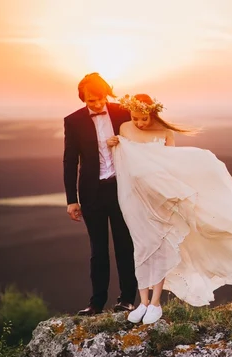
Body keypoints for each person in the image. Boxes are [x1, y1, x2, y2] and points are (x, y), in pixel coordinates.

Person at [107, 94, 232, 324]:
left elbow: (172, 165)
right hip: (134, 199)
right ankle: (142, 302)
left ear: (153, 114)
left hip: (161, 200)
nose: (139, 123)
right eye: (135, 118)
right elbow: (126, 162)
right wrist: (113, 144)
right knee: (141, 246)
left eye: (144, 118)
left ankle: (155, 303)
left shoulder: (165, 132)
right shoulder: (125, 128)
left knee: (162, 246)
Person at [63, 73, 137, 316]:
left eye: (99, 99)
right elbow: (70, 160)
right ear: (83, 98)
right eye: (90, 101)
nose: (95, 104)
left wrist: (125, 142)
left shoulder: (123, 112)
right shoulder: (72, 121)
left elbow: (142, 138)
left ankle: (127, 299)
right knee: (98, 250)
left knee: (125, 245)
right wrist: (72, 199)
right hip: (91, 193)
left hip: (121, 188)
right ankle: (96, 303)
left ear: (106, 94)